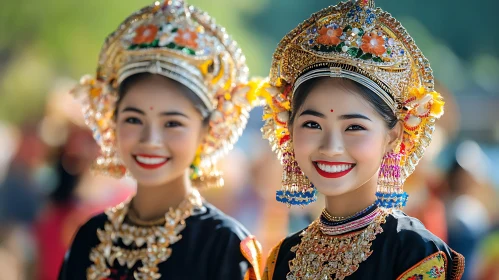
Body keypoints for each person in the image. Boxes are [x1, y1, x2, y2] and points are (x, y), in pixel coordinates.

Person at [258, 0, 465, 279]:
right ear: (289, 128)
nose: (331, 147)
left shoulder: (416, 253)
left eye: (353, 127)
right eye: (312, 124)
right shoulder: (282, 257)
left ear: (393, 136)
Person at [59, 0, 263, 279]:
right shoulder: (90, 235)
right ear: (112, 122)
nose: (151, 140)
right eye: (133, 119)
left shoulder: (222, 243)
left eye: (172, 124)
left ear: (207, 131)